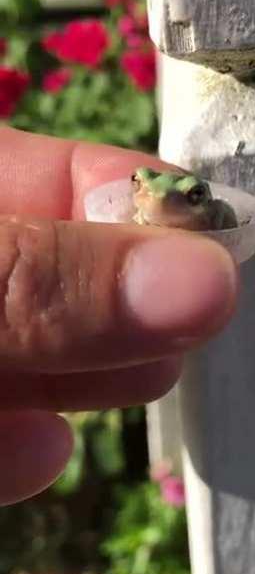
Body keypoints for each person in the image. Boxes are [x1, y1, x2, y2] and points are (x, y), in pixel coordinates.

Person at [0, 128, 238, 506]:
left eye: (193, 194)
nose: (157, 198)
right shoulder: (137, 213)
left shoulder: (215, 213)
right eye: (139, 185)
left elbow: (226, 218)